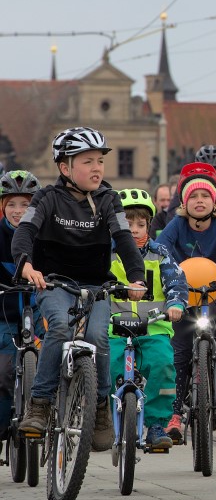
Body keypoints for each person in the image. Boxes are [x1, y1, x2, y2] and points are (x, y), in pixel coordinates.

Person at [14, 127, 147, 451]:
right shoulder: (47, 198)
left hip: (96, 286)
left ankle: (100, 410)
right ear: (65, 167)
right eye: (87, 161)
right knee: (59, 327)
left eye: (100, 161)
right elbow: (26, 233)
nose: (97, 168)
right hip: (54, 283)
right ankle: (40, 406)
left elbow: (125, 241)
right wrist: (25, 265)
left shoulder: (108, 198)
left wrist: (137, 277)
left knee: (98, 338)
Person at [155, 161, 216, 440]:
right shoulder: (177, 224)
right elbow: (160, 248)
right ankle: (175, 413)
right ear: (184, 201)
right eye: (193, 196)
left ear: (215, 200)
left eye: (205, 195)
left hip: (215, 289)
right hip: (184, 292)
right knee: (180, 352)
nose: (199, 201)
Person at [108, 188, 187, 450]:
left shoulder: (160, 254)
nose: (134, 229)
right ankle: (107, 418)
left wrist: (175, 303)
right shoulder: (105, 255)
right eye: (127, 224)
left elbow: (176, 282)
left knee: (163, 365)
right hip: (115, 329)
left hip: (152, 327)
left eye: (140, 224)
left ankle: (156, 424)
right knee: (107, 366)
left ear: (149, 226)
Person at [1, 170, 40, 437]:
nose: (18, 211)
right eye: (11, 204)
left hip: (37, 308)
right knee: (3, 373)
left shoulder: (44, 235)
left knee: (53, 355)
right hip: (4, 313)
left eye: (25, 204)